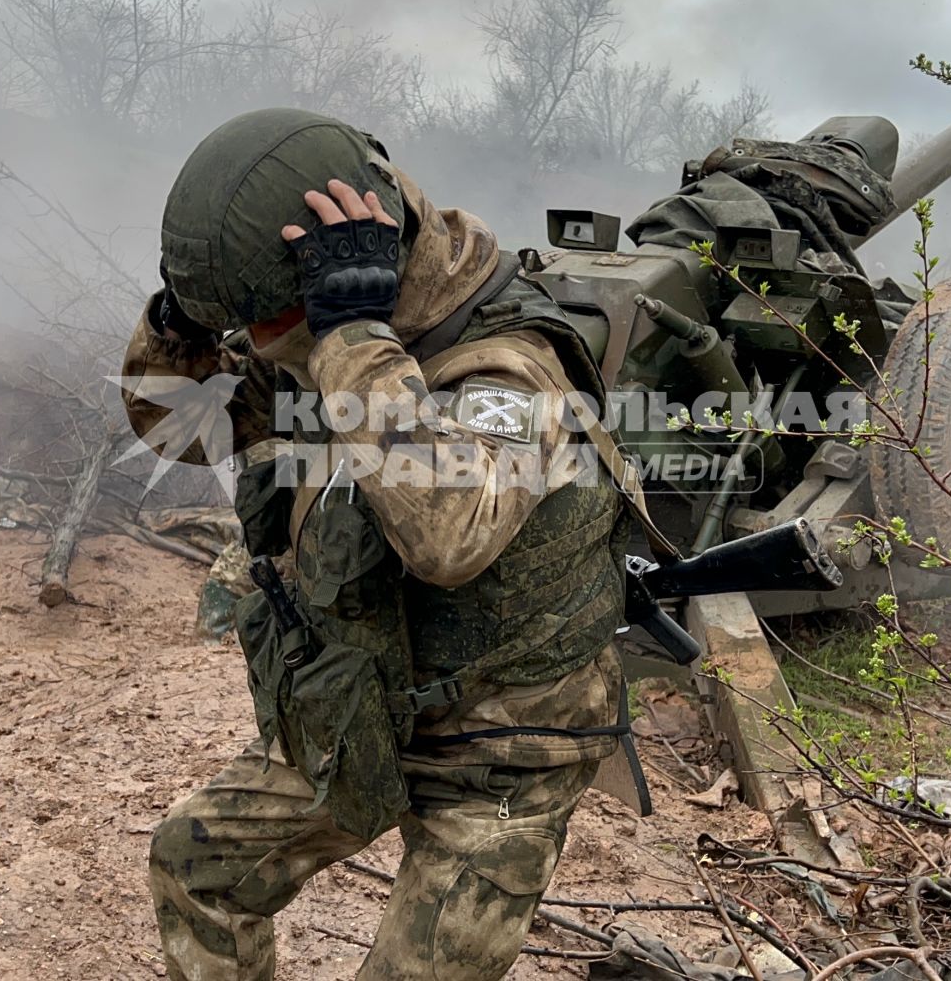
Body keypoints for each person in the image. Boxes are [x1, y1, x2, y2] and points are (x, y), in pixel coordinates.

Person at [122, 108, 637, 979]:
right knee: (196, 868)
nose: (252, 349)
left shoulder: (506, 366)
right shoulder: (321, 325)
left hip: (502, 742)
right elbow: (177, 428)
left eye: (263, 322)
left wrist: (353, 340)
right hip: (363, 699)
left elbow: (449, 535)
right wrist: (185, 315)